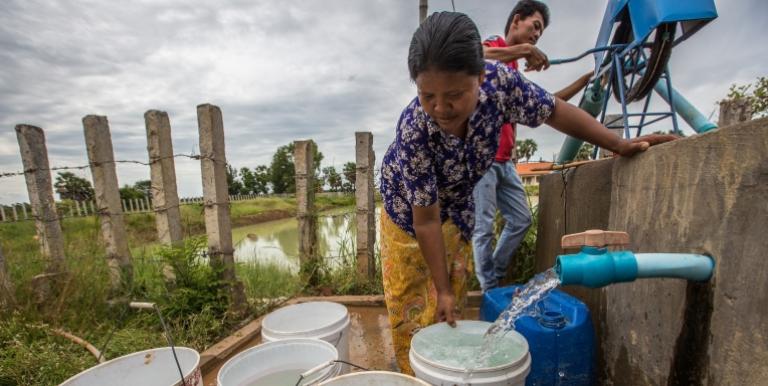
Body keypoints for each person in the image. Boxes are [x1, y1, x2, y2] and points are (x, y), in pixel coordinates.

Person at [379, 11, 674, 375]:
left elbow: (555, 111)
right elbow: (424, 221)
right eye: (428, 96)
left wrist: (617, 143)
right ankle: (411, 377)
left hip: (456, 211)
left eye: (454, 94)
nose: (441, 108)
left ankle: (447, 375)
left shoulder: (501, 86)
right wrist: (440, 289)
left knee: (448, 308)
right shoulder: (415, 129)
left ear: (481, 76)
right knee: (413, 305)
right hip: (407, 216)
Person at [472, 0, 592, 293]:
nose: (537, 35)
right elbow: (474, 56)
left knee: (522, 220)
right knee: (483, 227)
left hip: (505, 163)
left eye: (540, 32)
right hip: (483, 160)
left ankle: (495, 275)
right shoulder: (494, 46)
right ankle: (488, 287)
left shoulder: (513, 71)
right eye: (534, 26)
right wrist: (524, 50)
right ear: (516, 21)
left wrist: (584, 81)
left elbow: (546, 102)